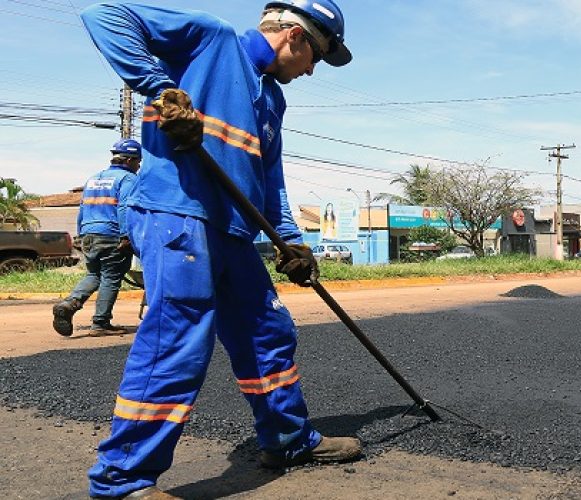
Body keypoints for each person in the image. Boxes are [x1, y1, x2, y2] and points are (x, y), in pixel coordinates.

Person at [79, 1, 359, 497]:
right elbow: (104, 15)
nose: (313, 69)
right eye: (316, 55)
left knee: (268, 332)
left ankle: (287, 439)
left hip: (233, 232)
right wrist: (161, 89)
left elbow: (269, 178)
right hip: (178, 215)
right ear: (294, 36)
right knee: (178, 341)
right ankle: (122, 481)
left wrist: (289, 239)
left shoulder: (273, 98)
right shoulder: (212, 39)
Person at [52, 139, 141, 337]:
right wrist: (126, 236)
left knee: (94, 275)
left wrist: (79, 234)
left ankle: (69, 304)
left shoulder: (93, 179)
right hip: (111, 235)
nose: (139, 166)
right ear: (129, 160)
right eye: (138, 162)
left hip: (89, 235)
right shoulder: (128, 179)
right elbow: (124, 207)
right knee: (111, 277)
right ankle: (100, 323)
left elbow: (83, 208)